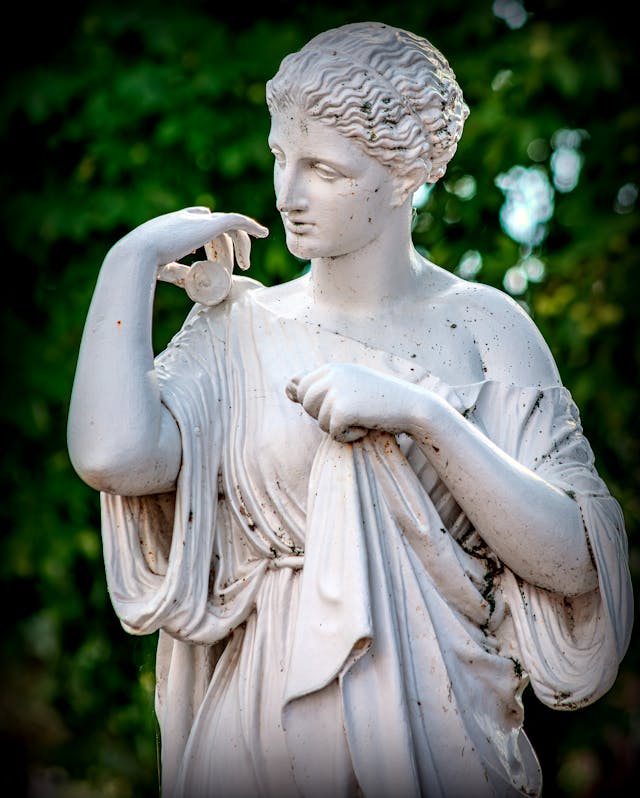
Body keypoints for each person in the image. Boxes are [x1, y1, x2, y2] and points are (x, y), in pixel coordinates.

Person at [67, 21, 633, 798]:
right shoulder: (239, 328)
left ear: (404, 176)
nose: (286, 194)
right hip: (259, 735)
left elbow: (576, 558)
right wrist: (126, 264)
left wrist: (425, 419)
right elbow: (113, 457)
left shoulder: (485, 326)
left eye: (323, 170)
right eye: (279, 158)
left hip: (443, 733)